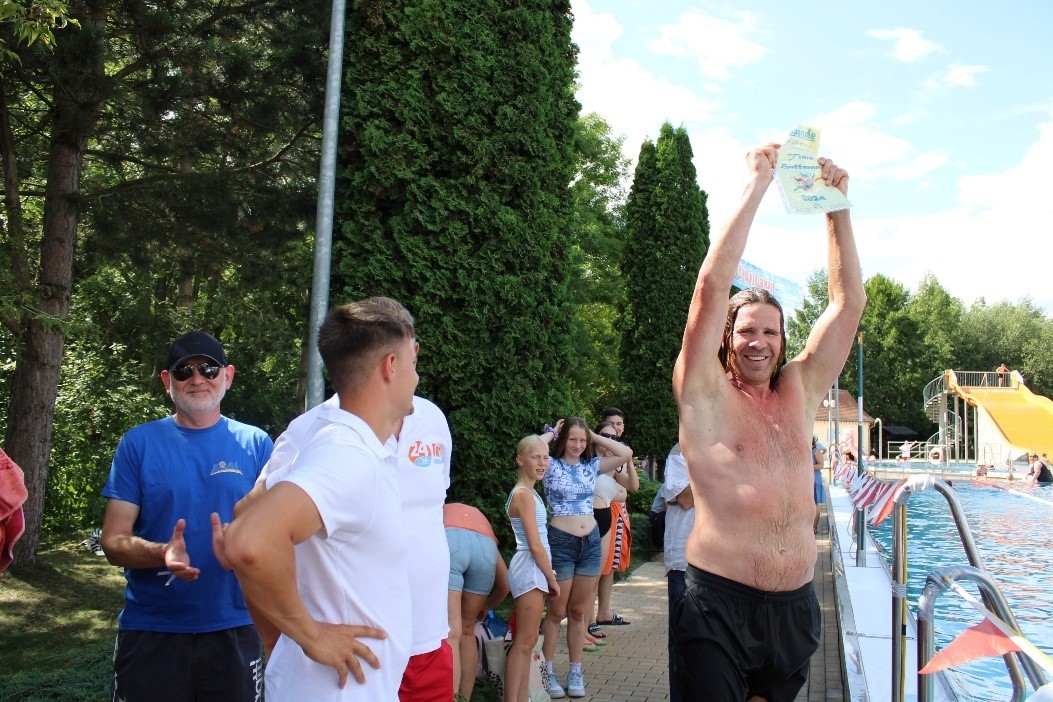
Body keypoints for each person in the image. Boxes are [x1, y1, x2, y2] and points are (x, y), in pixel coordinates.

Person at [671, 144, 865, 702]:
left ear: (784, 342)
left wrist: (837, 207)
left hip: (795, 611)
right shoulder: (704, 393)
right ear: (727, 338)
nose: (758, 343)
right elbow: (711, 289)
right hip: (717, 610)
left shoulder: (799, 391)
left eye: (771, 333)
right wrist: (758, 184)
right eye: (746, 331)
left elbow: (848, 304)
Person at [218, 331, 455, 699]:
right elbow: (247, 532)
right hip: (349, 665)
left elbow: (430, 517)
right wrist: (289, 638)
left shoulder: (432, 419)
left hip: (423, 646)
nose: (418, 369)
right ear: (390, 365)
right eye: (413, 356)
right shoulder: (320, 433)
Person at [100, 331, 274, 702]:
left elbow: (278, 534)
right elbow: (113, 541)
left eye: (208, 369)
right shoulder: (138, 444)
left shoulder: (257, 444)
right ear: (168, 381)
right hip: (151, 630)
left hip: (235, 626)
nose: (197, 379)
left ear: (227, 375)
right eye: (184, 371)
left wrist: (246, 549)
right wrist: (161, 552)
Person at [540, 417, 633, 698]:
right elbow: (532, 447)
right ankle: (548, 671)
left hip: (590, 543)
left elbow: (624, 454)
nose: (578, 445)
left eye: (582, 441)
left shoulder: (591, 466)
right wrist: (553, 433)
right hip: (561, 544)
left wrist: (594, 435)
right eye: (573, 439)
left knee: (579, 612)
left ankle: (576, 671)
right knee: (557, 612)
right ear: (563, 440)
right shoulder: (550, 465)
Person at [504, 435, 560, 702]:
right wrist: (552, 578)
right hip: (530, 567)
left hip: (535, 567)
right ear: (520, 460)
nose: (542, 462)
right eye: (535, 457)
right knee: (524, 643)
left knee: (527, 644)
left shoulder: (531, 492)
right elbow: (535, 545)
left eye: (545, 456)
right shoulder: (523, 495)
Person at [444, 503, 510, 701]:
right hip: (485, 549)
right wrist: (486, 606)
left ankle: (450, 697)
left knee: (451, 633)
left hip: (449, 539)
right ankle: (465, 697)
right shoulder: (482, 525)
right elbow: (505, 585)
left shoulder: (440, 513)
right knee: (466, 631)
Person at [662, 443, 694, 702]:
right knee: (684, 639)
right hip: (685, 562)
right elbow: (685, 498)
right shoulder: (681, 451)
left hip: (724, 563)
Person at [812, 436, 827, 534]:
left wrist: (808, 467)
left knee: (815, 503)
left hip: (814, 480)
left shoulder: (816, 451)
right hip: (807, 480)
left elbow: (821, 465)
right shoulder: (807, 451)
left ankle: (814, 527)